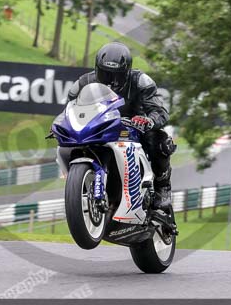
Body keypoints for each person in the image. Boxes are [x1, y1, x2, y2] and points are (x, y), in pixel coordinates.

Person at [68, 41, 176, 209]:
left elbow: (160, 111)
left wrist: (149, 121)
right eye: (105, 74)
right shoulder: (84, 83)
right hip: (100, 126)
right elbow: (70, 107)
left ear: (127, 72)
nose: (111, 80)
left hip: (133, 127)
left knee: (159, 140)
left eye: (116, 75)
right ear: (97, 69)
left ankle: (163, 186)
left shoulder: (141, 82)